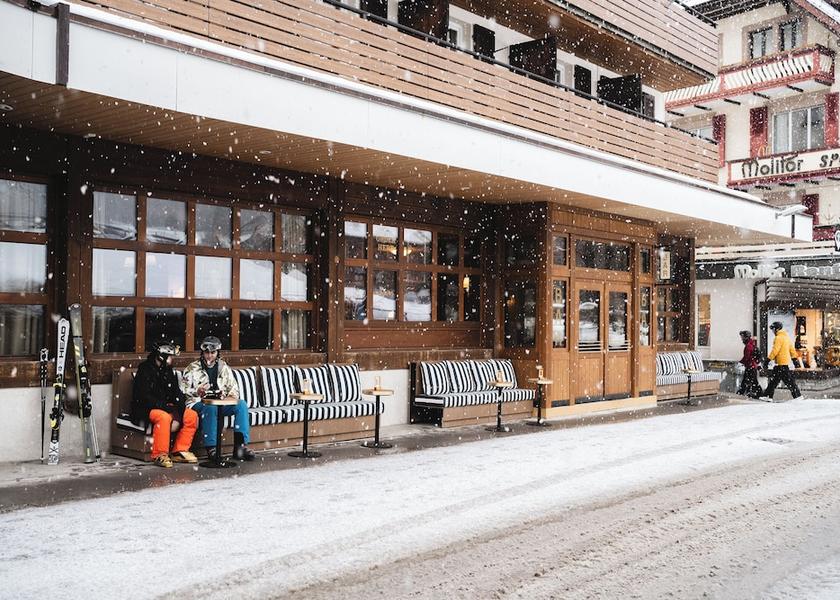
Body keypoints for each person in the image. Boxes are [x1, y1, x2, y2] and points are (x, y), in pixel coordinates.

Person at [181, 336, 255, 461]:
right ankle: (212, 448)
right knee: (210, 408)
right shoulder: (192, 368)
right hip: (198, 402)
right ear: (202, 352)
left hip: (221, 402)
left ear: (218, 353)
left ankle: (240, 447)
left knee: (241, 405)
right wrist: (197, 391)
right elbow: (183, 390)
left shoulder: (224, 368)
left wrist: (226, 396)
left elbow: (234, 389)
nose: (209, 356)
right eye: (207, 352)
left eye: (213, 352)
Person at [131, 342, 198, 468]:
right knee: (164, 417)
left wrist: (179, 410)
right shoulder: (144, 369)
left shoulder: (168, 370)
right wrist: (167, 409)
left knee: (191, 415)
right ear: (161, 356)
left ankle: (179, 450)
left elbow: (175, 392)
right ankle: (160, 454)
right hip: (145, 409)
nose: (172, 359)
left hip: (166, 406)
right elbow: (144, 397)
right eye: (170, 356)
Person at [760, 322, 804, 402]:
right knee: (774, 381)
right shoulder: (786, 337)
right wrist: (795, 360)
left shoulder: (778, 338)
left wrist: (767, 360)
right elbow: (792, 350)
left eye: (773, 329)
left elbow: (775, 350)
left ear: (776, 329)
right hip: (783, 364)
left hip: (781, 364)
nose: (772, 331)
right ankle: (768, 396)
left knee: (788, 381)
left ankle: (798, 396)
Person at [736, 330, 762, 399]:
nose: (741, 338)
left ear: (746, 337)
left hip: (751, 366)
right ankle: (742, 391)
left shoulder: (748, 346)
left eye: (742, 337)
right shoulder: (751, 344)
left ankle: (759, 393)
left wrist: (740, 363)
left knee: (753, 381)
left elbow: (746, 357)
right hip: (751, 366)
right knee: (748, 380)